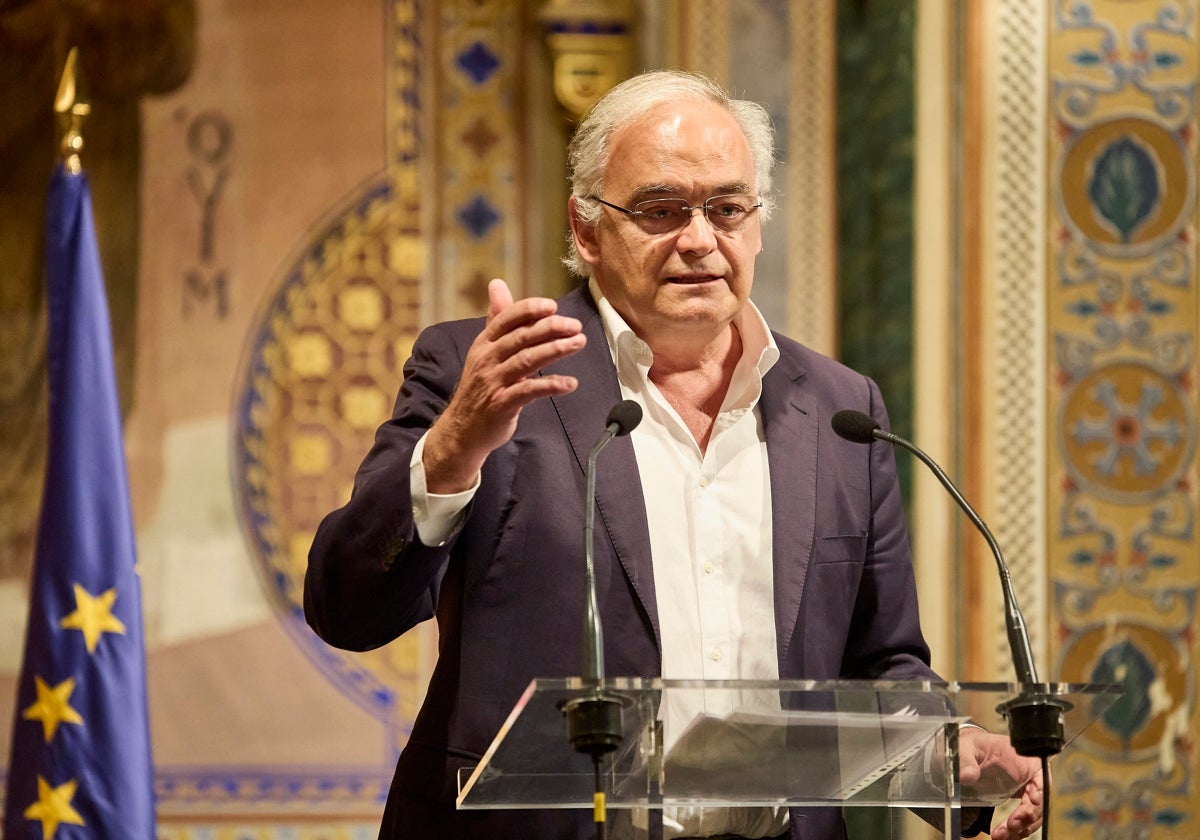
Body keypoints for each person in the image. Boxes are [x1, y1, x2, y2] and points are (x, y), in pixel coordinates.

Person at [305, 69, 1045, 840]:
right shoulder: (489, 375)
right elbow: (347, 606)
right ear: (586, 230)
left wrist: (953, 755)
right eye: (662, 210)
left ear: (758, 224)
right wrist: (453, 447)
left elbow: (880, 665)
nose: (700, 240)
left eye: (727, 208)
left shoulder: (840, 409)